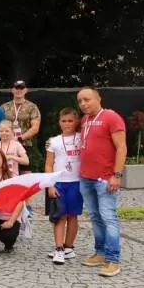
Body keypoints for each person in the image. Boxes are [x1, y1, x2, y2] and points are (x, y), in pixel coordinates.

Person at [76, 88, 126, 277]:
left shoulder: (111, 117)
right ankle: (100, 253)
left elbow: (122, 147)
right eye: (80, 101)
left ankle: (113, 260)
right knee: (95, 217)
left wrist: (117, 175)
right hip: (86, 177)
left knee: (108, 217)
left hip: (105, 178)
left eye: (87, 99)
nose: (83, 104)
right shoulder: (84, 120)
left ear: (98, 99)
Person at [45, 108, 84, 265]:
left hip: (77, 182)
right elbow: (49, 164)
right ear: (59, 122)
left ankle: (69, 247)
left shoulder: (82, 138)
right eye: (64, 121)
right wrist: (50, 184)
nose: (67, 124)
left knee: (73, 215)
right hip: (59, 183)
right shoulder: (53, 141)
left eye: (70, 121)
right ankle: (59, 248)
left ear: (77, 122)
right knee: (59, 215)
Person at [1, 81, 41, 170]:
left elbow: (35, 128)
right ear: (12, 90)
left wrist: (19, 138)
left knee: (25, 173)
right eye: (16, 88)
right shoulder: (4, 107)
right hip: (6, 144)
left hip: (25, 145)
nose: (19, 90)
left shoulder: (32, 107)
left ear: (26, 90)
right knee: (6, 170)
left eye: (21, 88)